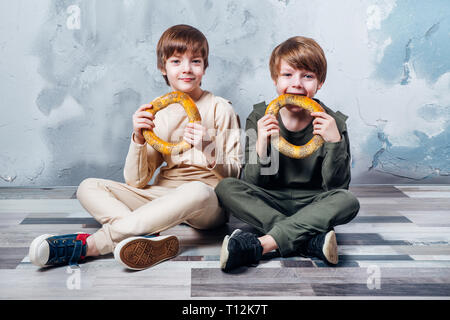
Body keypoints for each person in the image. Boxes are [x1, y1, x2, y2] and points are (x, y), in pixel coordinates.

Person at [29, 24, 242, 270]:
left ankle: (90, 245)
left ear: (204, 67)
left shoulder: (220, 107)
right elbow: (137, 182)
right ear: (163, 67)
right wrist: (138, 139)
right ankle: (146, 239)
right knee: (88, 186)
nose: (186, 69)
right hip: (164, 193)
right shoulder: (156, 114)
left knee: (197, 190)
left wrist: (208, 147)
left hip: (208, 199)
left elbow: (234, 175)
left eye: (195, 61)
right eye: (176, 61)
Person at [215, 36, 360, 272]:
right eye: (288, 75)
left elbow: (337, 187)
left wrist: (334, 141)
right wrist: (261, 142)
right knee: (226, 187)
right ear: (275, 80)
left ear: (320, 83)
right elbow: (251, 182)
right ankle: (309, 240)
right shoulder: (260, 116)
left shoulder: (333, 122)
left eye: (308, 76)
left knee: (348, 201)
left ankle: (260, 245)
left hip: (313, 202)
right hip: (270, 199)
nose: (297, 84)